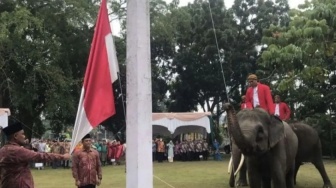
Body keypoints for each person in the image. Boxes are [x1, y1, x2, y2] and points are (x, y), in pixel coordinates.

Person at [0, 121, 71, 188]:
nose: (24, 136)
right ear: (15, 136)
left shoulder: (3, 150)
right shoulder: (17, 150)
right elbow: (40, 156)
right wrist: (63, 157)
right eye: (22, 134)